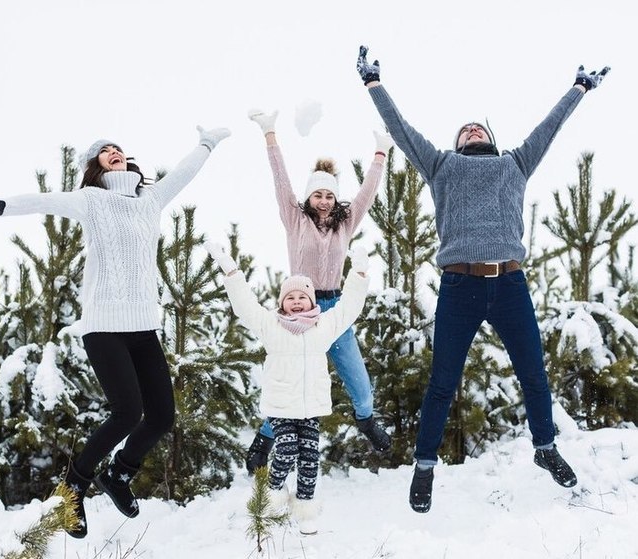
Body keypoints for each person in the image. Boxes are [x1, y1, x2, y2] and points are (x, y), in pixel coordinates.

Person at [0, 125, 230, 537]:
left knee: (162, 417)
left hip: (144, 327)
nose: (114, 152)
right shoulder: (91, 201)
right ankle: (72, 489)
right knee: (128, 413)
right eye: (104, 151)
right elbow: (37, 201)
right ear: (94, 166)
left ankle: (118, 475)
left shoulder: (150, 199)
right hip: (104, 327)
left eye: (118, 148)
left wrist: (207, 143)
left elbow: (183, 174)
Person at [356, 45, 610, 513]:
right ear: (457, 144)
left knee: (533, 374)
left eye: (479, 127)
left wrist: (578, 89)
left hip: (511, 287)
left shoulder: (515, 163)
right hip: (460, 288)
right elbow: (400, 129)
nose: (472, 129)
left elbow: (548, 129)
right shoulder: (441, 167)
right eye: (465, 129)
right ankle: (425, 465)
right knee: (442, 382)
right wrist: (373, 83)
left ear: (490, 139)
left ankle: (545, 448)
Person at [244, 108, 394, 473]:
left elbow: (367, 194)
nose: (324, 201)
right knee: (291, 386)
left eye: (330, 195)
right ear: (309, 198)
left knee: (359, 382)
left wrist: (381, 154)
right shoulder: (294, 220)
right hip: (298, 313)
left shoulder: (346, 225)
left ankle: (366, 421)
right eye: (318, 195)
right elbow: (280, 180)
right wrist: (269, 134)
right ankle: (264, 439)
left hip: (335, 309)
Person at [204, 240, 370, 535]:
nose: (296, 301)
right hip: (281, 405)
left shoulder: (324, 326)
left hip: (311, 407)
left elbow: (349, 309)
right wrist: (230, 270)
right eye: (290, 297)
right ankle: (273, 492)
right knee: (287, 450)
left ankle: (306, 510)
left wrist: (358, 272)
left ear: (312, 302)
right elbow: (244, 305)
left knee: (309, 458)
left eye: (302, 297)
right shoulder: (271, 324)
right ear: (282, 302)